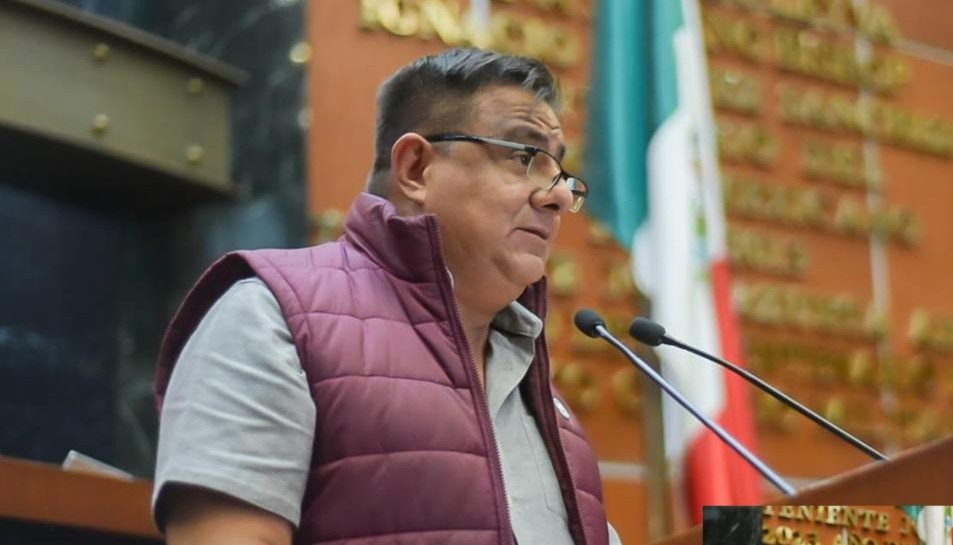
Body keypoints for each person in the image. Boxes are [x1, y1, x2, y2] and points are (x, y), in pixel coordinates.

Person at [151, 48, 620, 545]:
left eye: (559, 171)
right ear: (415, 169)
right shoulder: (271, 315)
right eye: (524, 157)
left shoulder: (551, 409)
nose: (559, 195)